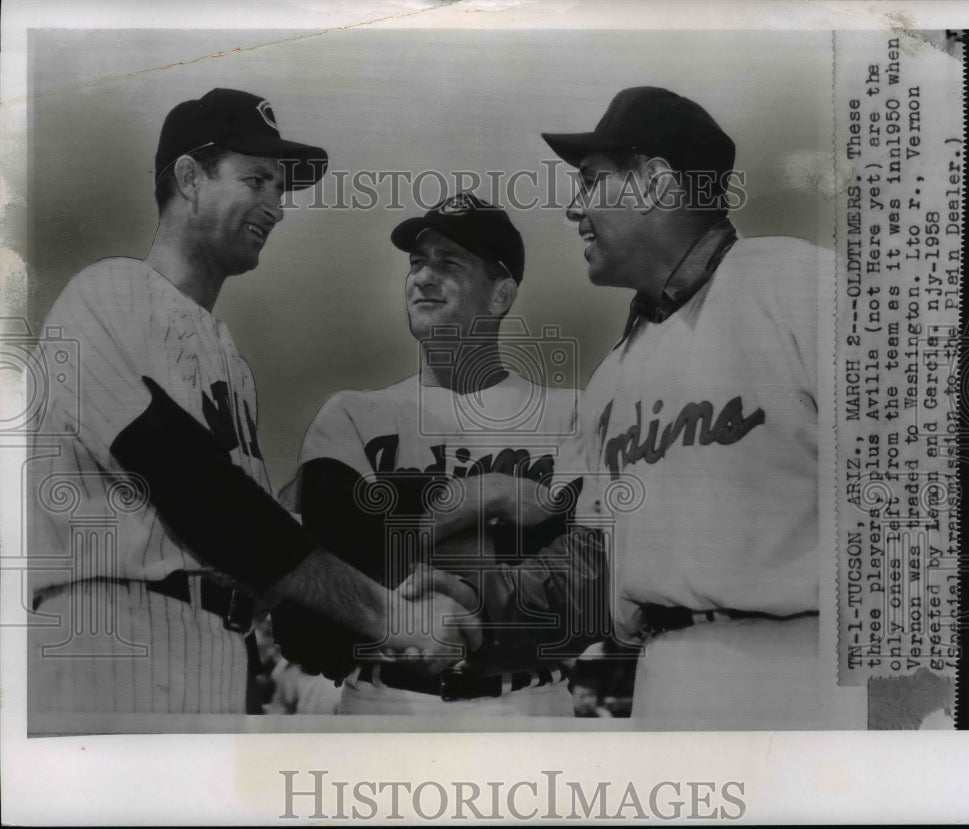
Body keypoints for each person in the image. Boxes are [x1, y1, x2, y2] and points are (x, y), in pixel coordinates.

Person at [27, 88, 473, 717]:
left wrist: (404, 576)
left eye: (281, 188)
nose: (277, 206)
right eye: (258, 179)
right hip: (111, 632)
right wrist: (391, 614)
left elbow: (267, 543)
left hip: (215, 650)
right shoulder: (108, 292)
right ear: (188, 176)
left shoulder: (230, 362)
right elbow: (195, 489)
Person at [535, 86, 830, 728]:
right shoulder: (613, 371)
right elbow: (586, 560)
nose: (573, 208)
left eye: (591, 181)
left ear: (656, 184)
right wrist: (471, 606)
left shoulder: (797, 284)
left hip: (803, 666)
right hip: (662, 675)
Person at [277, 193, 601, 716]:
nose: (423, 278)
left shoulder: (572, 414)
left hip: (525, 700)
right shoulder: (352, 415)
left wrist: (403, 526)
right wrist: (480, 496)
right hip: (383, 696)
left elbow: (586, 583)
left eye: (448, 263)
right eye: (417, 262)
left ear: (500, 295)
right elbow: (324, 575)